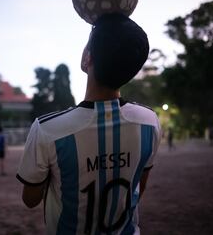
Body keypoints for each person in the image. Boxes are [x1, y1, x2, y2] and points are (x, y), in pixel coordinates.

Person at [16, 14, 161, 234]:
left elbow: (30, 199)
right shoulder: (149, 123)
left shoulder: (48, 129)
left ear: (87, 58)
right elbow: (138, 187)